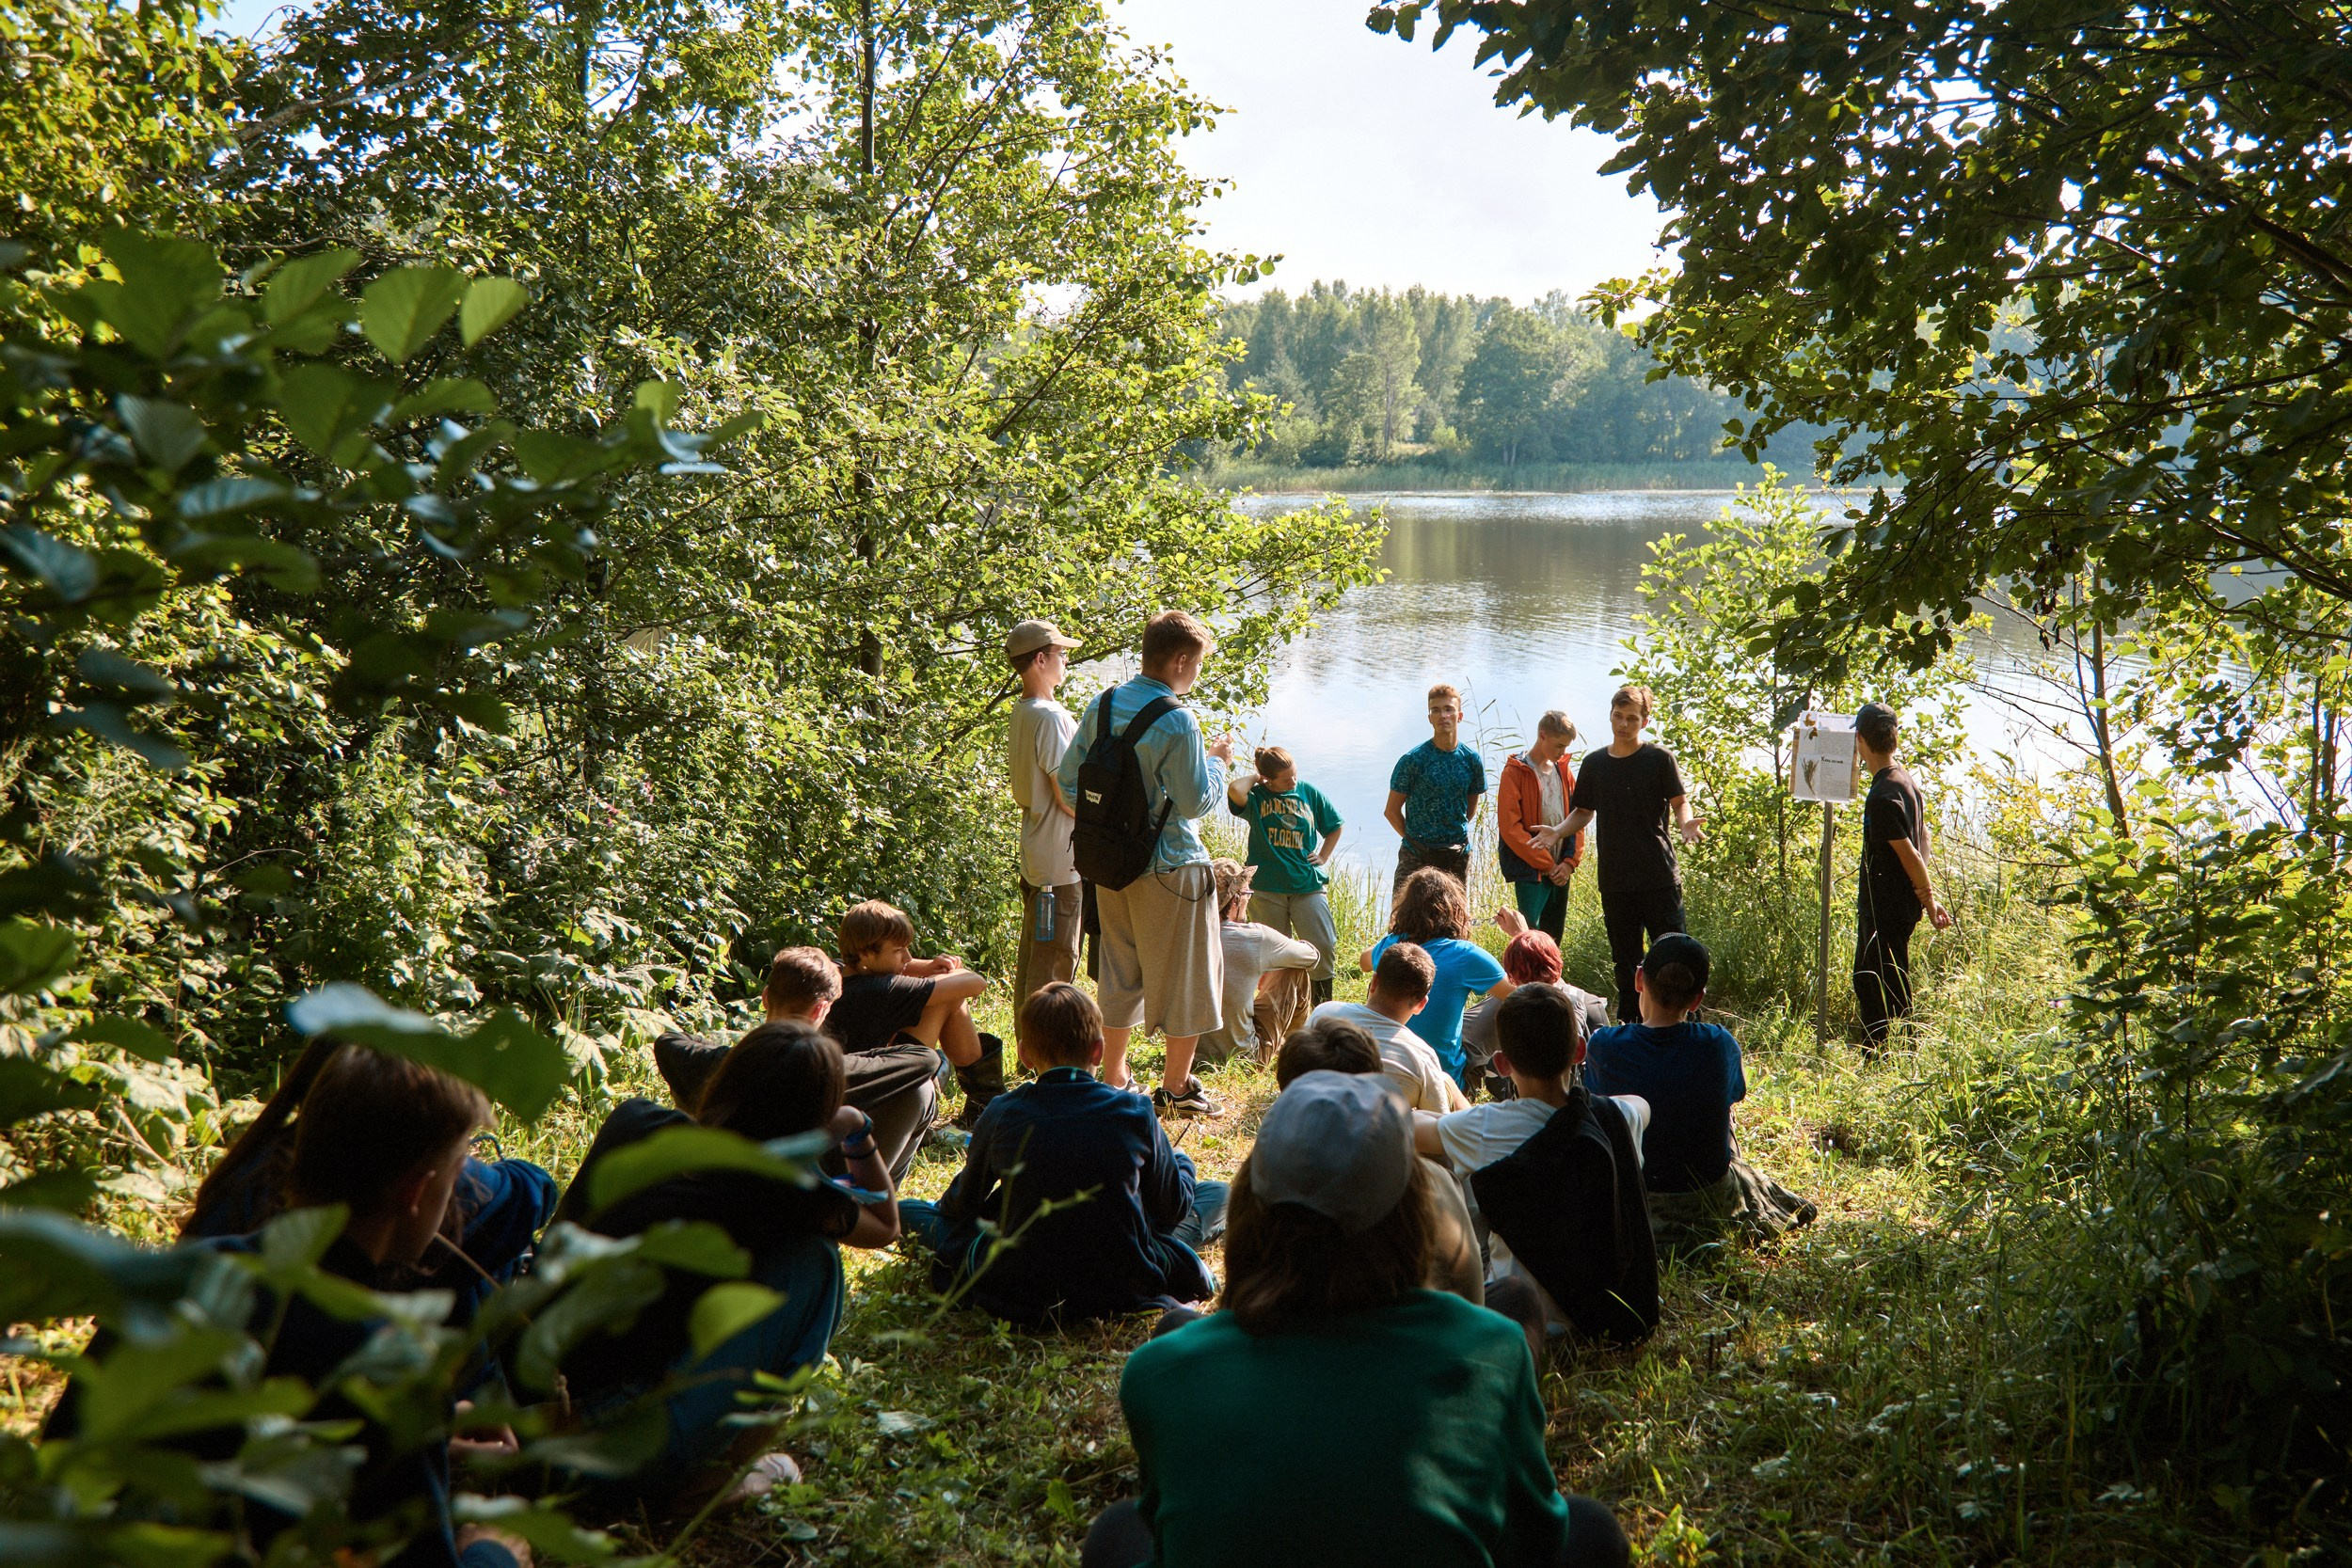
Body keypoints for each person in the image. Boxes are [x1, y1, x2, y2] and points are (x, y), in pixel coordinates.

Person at [1084, 1071, 1630, 1568]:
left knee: (1115, 1529)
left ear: (1251, 1209)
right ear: (1413, 1220)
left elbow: (1166, 1528)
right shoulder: (1492, 1348)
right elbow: (1534, 1536)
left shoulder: (1159, 1371)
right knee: (1593, 1531)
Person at [66, 1045, 534, 1568]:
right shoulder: (389, 1368)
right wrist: (493, 1553)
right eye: (454, 1178)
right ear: (418, 1191)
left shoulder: (168, 1281)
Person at [552, 1021, 898, 1512]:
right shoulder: (790, 1198)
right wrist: (857, 1130)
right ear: (813, 1120)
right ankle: (702, 1478)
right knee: (816, 1260)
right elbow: (886, 1225)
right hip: (612, 1448)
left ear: (726, 1076)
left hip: (522, 1395)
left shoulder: (635, 1120)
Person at [180, 1037, 555, 1335]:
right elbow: (528, 1196)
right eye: (455, 1173)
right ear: (416, 1192)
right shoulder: (376, 1354)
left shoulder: (210, 1263)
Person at [899, 983, 1223, 1323]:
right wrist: (1182, 1163)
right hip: (1120, 1274)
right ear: (1098, 1051)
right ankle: (1158, 1246)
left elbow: (964, 1203)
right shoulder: (1135, 1109)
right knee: (1217, 1193)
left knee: (907, 1212)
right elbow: (1173, 1207)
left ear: (1023, 1055)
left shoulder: (1001, 1112)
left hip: (1019, 1278)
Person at [1055, 610, 1234, 1117]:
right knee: (1189, 977)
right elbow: (1197, 801)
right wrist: (1219, 762)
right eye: (1196, 664)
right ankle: (1176, 1088)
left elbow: (1070, 781)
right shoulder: (1179, 720)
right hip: (1173, 866)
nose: (1196, 673)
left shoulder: (1103, 703)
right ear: (1181, 660)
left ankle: (1114, 1077)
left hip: (1109, 863)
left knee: (1118, 970)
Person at [1415, 985, 1657, 1361]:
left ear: (1501, 1063)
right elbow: (1641, 1105)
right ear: (1579, 1050)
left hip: (1521, 1318)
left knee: (1437, 1173)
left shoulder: (1482, 1127)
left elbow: (1409, 1129)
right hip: (1607, 1314)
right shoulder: (1618, 1117)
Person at [1583, 935, 1815, 1253]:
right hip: (1710, 1199)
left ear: (1639, 980)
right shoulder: (1718, 1044)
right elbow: (1735, 1094)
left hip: (1634, 1200)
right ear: (1697, 1000)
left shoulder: (1604, 1045)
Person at [1277, 1015, 1485, 1306]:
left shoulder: (1263, 1183)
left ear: (1287, 1094)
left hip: (1300, 1338)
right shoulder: (1431, 1182)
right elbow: (1471, 1297)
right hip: (1410, 1338)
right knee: (1515, 1296)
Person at [1559, 685, 1704, 1023]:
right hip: (1616, 879)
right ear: (1610, 715)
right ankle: (1631, 1025)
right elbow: (1583, 811)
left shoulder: (1659, 759)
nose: (1623, 724)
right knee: (1625, 961)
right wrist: (1557, 831)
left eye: (1632, 719)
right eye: (1618, 716)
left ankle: (1686, 1025)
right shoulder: (1595, 763)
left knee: (1675, 954)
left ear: (1645, 721)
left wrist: (1685, 824)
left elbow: (1680, 802)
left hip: (1658, 876)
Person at [829, 898, 1007, 1147]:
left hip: (854, 1088)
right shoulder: (880, 989)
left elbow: (895, 965)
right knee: (948, 998)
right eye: (898, 950)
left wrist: (929, 967)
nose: (908, 957)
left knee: (942, 994)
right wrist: (945, 973)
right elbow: (976, 983)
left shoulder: (840, 972)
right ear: (867, 953)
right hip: (880, 1101)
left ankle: (985, 1099)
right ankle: (986, 1099)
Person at [1852, 701, 1952, 1050]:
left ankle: (1881, 1052)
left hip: (1886, 904)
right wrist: (1923, 897)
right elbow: (1923, 837)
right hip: (1902, 900)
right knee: (1888, 973)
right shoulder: (1904, 780)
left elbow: (1909, 853)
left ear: (1860, 740)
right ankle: (1901, 1048)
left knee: (1870, 978)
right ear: (1894, 737)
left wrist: (1928, 899)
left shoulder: (1881, 795)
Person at [1361, 866, 1514, 1088]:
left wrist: (1392, 938)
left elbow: (1364, 961)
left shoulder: (1390, 946)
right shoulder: (1465, 954)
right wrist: (1521, 935)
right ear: (1454, 910)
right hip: (1444, 1081)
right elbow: (1518, 994)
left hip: (1387, 1070)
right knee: (1499, 1004)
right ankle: (1502, 1074)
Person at [653, 943, 841, 1113]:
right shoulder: (830, 1078)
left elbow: (667, 1041)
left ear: (765, 997)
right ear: (820, 1010)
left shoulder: (716, 1064)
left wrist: (730, 1052)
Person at [1224, 744, 1345, 1006]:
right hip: (1267, 888)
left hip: (1307, 884)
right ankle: (1276, 1015)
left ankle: (1323, 1010)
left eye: (1295, 773)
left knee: (1323, 945)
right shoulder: (1256, 798)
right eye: (1286, 778)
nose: (1293, 780)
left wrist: (1323, 856)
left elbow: (1335, 826)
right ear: (1268, 779)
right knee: (1272, 955)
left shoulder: (1308, 792)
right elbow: (1235, 789)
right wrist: (1258, 777)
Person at [1008, 617, 1085, 1001]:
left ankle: (1029, 1053)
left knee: (1033, 959)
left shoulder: (1024, 710)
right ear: (1040, 659)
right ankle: (1043, 1057)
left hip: (1037, 853)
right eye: (1061, 654)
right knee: (1054, 966)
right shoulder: (1051, 718)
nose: (1066, 660)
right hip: (1059, 864)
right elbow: (1066, 794)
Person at [1306, 942, 1470, 1113]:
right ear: (1421, 1005)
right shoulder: (1421, 1056)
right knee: (1443, 1081)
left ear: (1374, 981)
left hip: (1309, 1121)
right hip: (1375, 1134)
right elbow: (1438, 1123)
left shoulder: (1323, 1012)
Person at [1195, 858, 1319, 1068]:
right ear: (1235, 900)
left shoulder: (1187, 934)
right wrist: (1273, 962)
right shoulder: (1254, 937)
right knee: (1294, 969)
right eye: (1246, 894)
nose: (1248, 901)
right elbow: (1312, 957)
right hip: (1243, 1057)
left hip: (1188, 1055)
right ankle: (1295, 1051)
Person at [1461, 930, 1612, 1101]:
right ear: (1559, 966)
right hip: (1580, 1102)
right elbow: (1606, 1066)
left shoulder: (1506, 1010)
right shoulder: (1591, 1004)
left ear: (1511, 976)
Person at [1385, 683, 1487, 896]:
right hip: (1416, 854)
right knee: (1402, 921)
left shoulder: (1471, 760)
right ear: (1429, 717)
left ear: (1459, 716)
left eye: (1449, 709)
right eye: (1436, 710)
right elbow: (1391, 811)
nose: (1443, 715)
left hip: (1456, 854)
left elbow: (1470, 809)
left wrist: (1447, 836)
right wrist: (1415, 839)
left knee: (1454, 923)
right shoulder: (1413, 760)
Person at [1498, 710, 1584, 941]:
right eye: (1558, 746)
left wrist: (1568, 863)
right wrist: (1546, 864)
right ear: (1542, 735)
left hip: (1560, 869)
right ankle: (1526, 977)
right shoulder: (1516, 771)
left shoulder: (1563, 771)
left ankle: (1554, 977)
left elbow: (1578, 817)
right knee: (1530, 936)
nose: (1562, 752)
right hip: (1531, 870)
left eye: (1566, 747)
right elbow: (1510, 827)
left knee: (1554, 935)